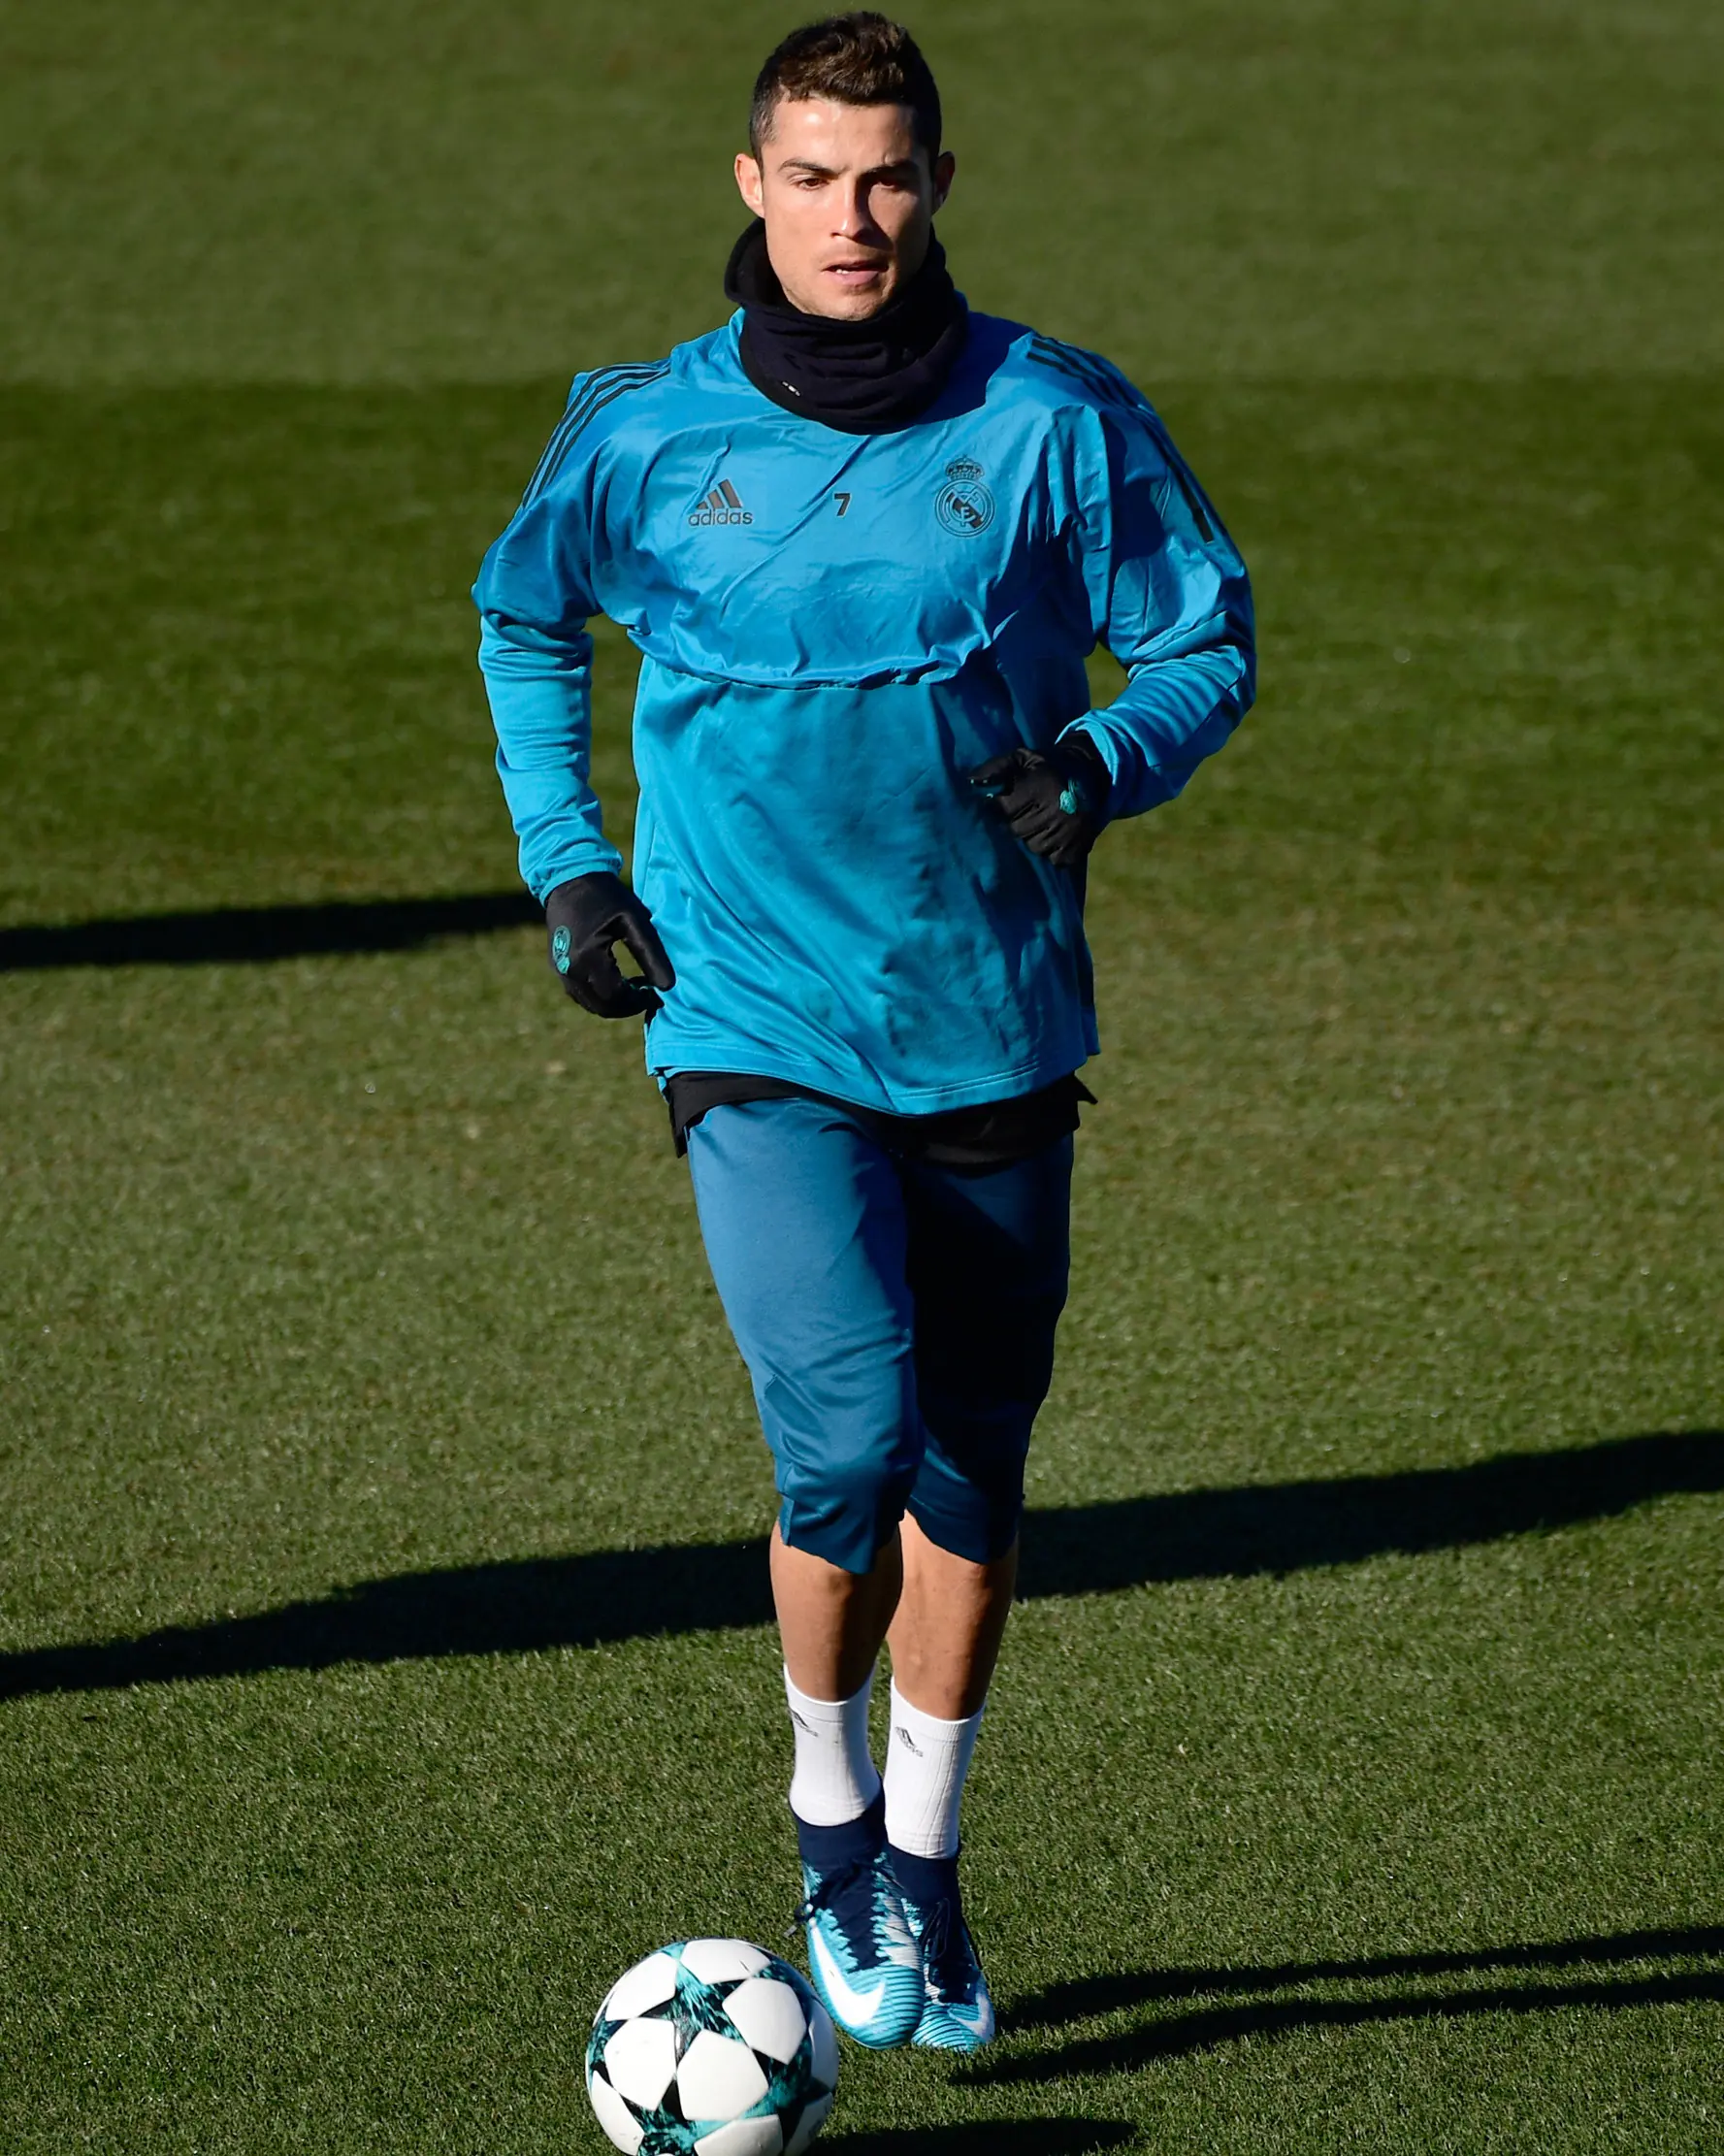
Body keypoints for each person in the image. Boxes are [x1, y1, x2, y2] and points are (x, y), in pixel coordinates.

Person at [474, 11, 1253, 2056]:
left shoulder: (1055, 420)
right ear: (750, 186)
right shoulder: (646, 435)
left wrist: (1103, 755)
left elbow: (1204, 638)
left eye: (888, 173)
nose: (854, 213)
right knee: (843, 1440)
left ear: (939, 185)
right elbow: (519, 609)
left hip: (989, 1021)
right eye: (813, 175)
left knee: (976, 1473)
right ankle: (827, 1834)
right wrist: (570, 862)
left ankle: (923, 1866)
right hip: (749, 1017)